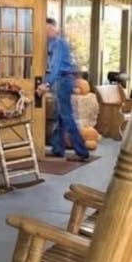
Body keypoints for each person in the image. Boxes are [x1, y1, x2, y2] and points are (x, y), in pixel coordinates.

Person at [37, 18, 89, 160]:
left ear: (55, 29)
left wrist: (47, 84)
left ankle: (82, 151)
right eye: (45, 29)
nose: (47, 32)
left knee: (66, 116)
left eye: (49, 29)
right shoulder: (53, 43)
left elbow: (56, 66)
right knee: (59, 116)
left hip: (63, 80)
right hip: (64, 80)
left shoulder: (58, 43)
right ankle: (58, 148)